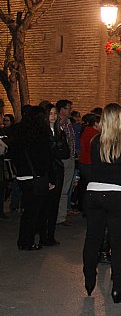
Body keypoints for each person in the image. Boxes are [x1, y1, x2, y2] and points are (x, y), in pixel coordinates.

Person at [82, 103, 121, 303]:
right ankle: (118, 289)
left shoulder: (95, 140)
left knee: (93, 238)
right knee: (118, 243)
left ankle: (89, 278)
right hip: (117, 194)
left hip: (93, 192)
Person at [10, 105, 54, 251]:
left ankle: (23, 240)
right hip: (36, 177)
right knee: (34, 212)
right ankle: (27, 241)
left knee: (27, 211)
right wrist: (51, 179)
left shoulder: (17, 131)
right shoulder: (41, 134)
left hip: (22, 176)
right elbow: (47, 159)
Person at [41, 103, 70, 246]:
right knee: (45, 204)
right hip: (46, 171)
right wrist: (55, 151)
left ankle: (50, 235)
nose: (53, 116)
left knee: (54, 203)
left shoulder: (60, 132)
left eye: (54, 113)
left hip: (58, 169)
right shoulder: (41, 132)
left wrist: (55, 151)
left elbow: (66, 152)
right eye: (50, 113)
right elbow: (44, 154)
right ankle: (43, 234)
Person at [55, 99, 76, 226]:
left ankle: (61, 216)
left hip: (70, 158)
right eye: (68, 108)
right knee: (59, 187)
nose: (70, 111)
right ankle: (55, 215)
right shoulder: (57, 123)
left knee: (65, 188)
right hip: (61, 159)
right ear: (62, 109)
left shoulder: (68, 123)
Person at [77, 114, 101, 216]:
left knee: (85, 187)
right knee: (90, 188)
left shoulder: (86, 131)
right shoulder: (94, 134)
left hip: (83, 162)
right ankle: (88, 210)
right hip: (89, 163)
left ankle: (85, 209)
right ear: (96, 123)